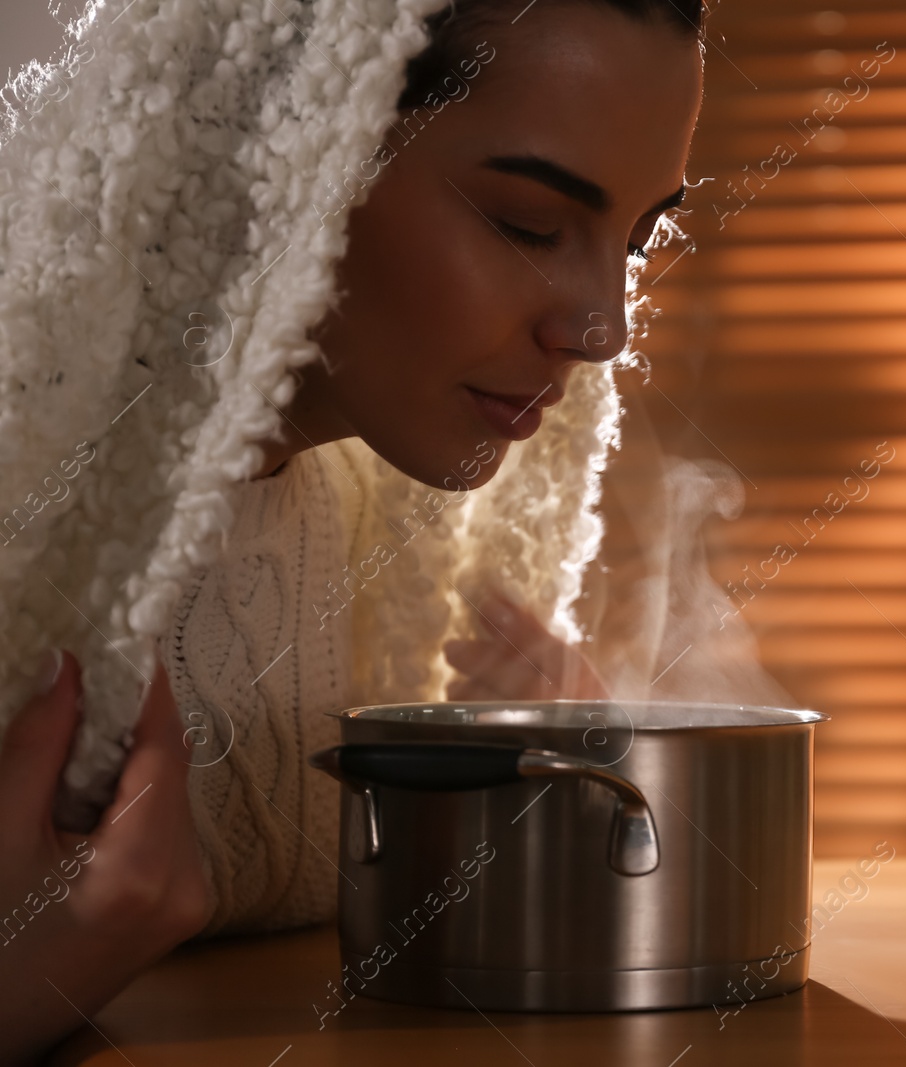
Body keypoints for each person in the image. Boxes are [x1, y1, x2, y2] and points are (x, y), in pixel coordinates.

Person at [0, 0, 705, 1061]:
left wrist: (510, 835)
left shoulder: (394, 581)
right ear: (288, 143)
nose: (602, 327)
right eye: (526, 221)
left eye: (639, 238)